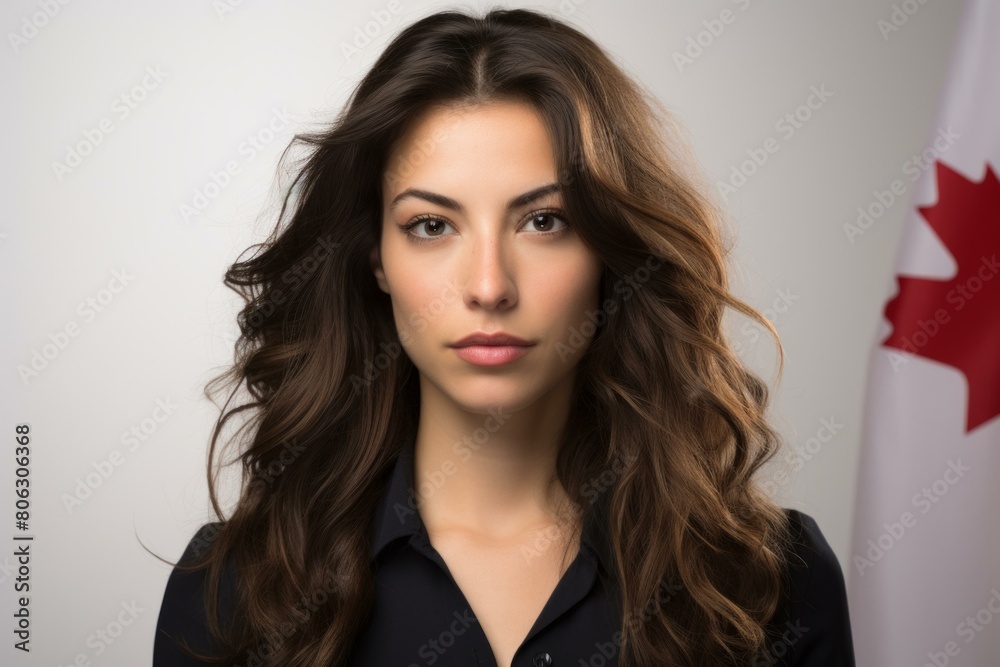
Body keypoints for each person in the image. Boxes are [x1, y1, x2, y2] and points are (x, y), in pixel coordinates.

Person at [152, 6, 855, 666]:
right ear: (377, 260)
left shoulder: (766, 582)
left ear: (610, 252)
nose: (489, 285)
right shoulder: (235, 591)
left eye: (544, 221)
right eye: (432, 225)